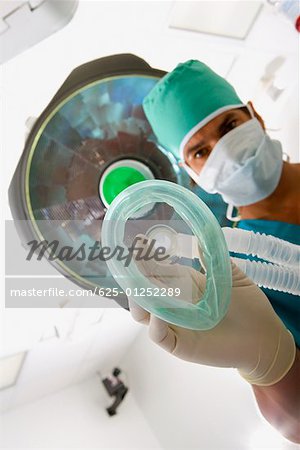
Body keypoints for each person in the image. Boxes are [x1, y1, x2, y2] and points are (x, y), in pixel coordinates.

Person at [129, 60, 300, 443]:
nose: (225, 151)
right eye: (200, 151)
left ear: (253, 114)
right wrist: (268, 363)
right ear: (192, 173)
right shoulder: (243, 272)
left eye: (229, 127)